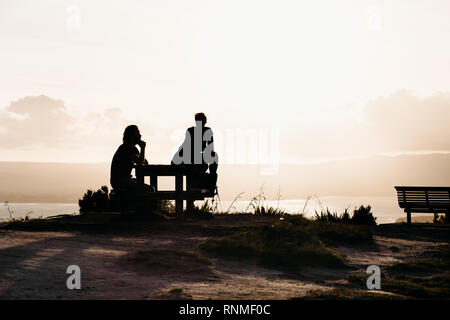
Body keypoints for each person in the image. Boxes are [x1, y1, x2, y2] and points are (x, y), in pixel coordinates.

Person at [171, 113, 218, 192]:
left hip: (195, 158)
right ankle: (211, 181)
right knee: (213, 156)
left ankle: (211, 180)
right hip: (192, 158)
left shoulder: (201, 130)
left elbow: (210, 148)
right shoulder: (194, 130)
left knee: (213, 156)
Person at [110, 125, 152, 193]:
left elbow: (142, 161)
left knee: (144, 186)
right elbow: (140, 162)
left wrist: (142, 158)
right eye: (138, 133)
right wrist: (143, 148)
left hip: (121, 181)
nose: (140, 135)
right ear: (132, 136)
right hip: (120, 182)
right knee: (149, 190)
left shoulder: (130, 148)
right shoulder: (126, 148)